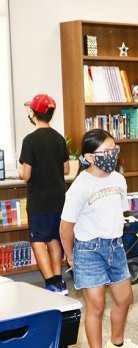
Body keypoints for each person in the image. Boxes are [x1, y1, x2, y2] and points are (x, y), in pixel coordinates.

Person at [60, 129, 138, 348]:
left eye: (114, 149)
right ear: (88, 157)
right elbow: (65, 228)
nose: (112, 154)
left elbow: (119, 213)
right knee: (96, 307)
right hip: (88, 250)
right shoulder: (80, 186)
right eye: (105, 151)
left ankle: (116, 344)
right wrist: (70, 257)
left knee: (125, 299)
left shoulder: (119, 180)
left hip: (115, 247)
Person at [18, 94, 69, 294]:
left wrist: (21, 170)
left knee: (38, 240)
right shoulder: (58, 138)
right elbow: (65, 169)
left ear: (33, 114)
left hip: (39, 201)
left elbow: (26, 174)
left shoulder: (30, 140)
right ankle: (59, 281)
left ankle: (50, 283)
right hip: (58, 199)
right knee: (54, 239)